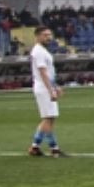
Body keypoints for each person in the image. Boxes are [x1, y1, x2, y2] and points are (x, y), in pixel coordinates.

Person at [25, 26, 62, 158]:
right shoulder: (38, 52)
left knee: (50, 117)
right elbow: (43, 73)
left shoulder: (42, 51)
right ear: (38, 36)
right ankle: (54, 148)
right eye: (45, 35)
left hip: (46, 87)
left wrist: (55, 86)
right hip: (43, 87)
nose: (49, 37)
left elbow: (49, 72)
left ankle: (35, 147)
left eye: (49, 35)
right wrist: (50, 90)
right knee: (47, 118)